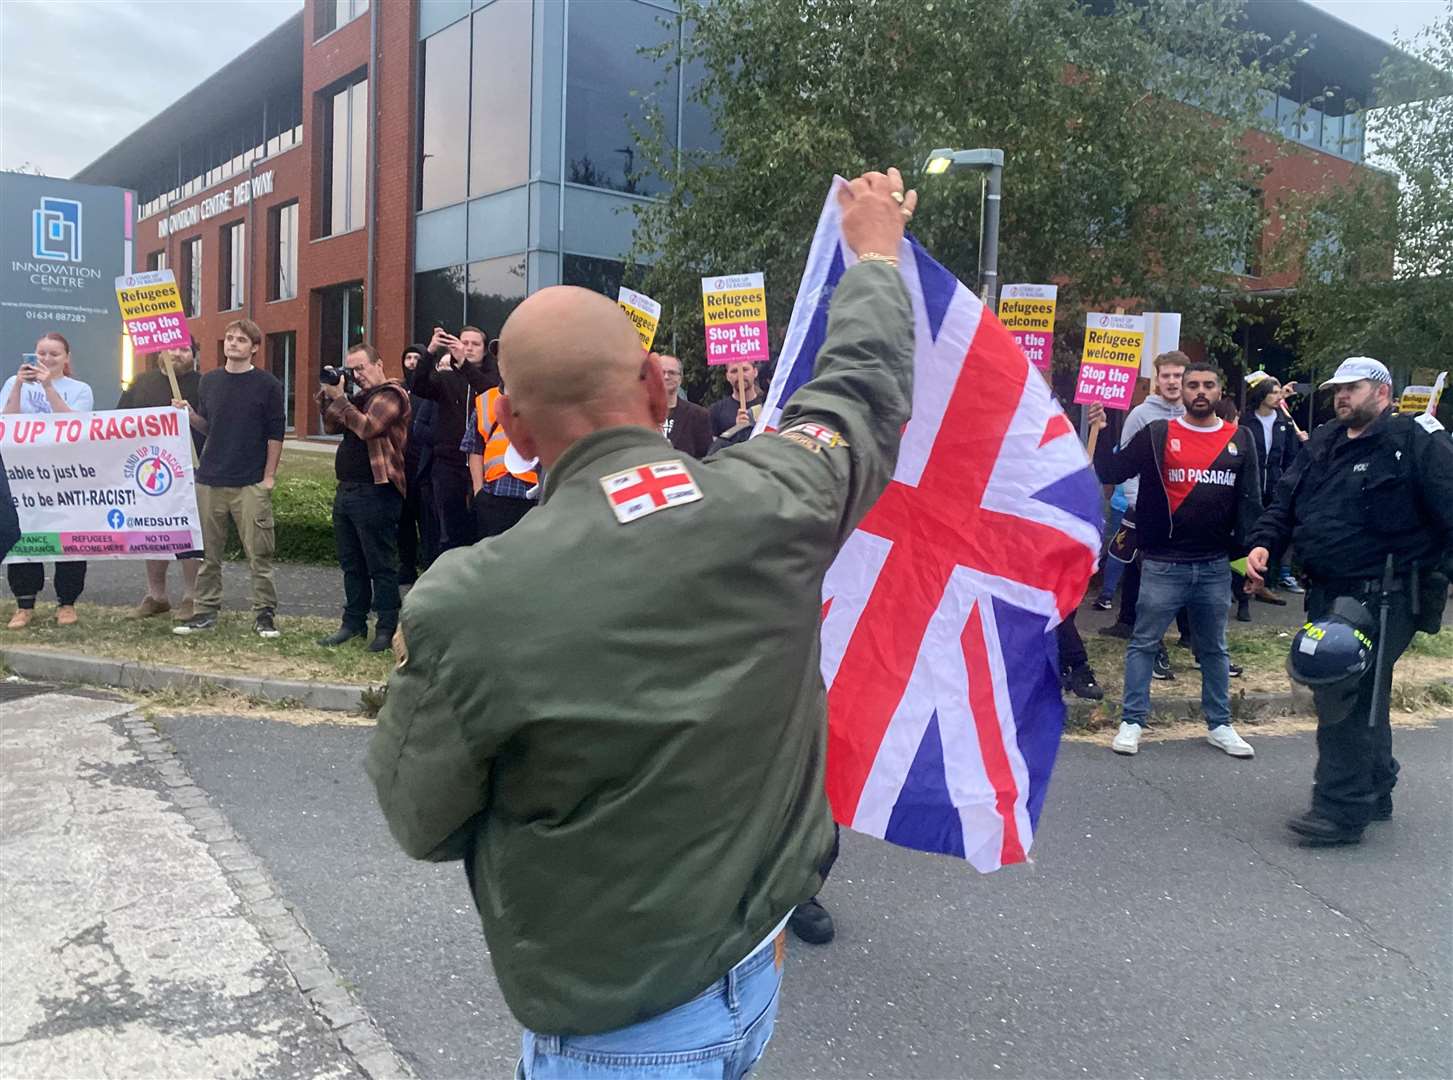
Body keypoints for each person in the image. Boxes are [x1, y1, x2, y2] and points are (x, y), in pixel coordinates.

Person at [367, 167, 918, 1078]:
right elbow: (858, 397)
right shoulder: (776, 498)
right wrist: (873, 256)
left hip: (616, 1023)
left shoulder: (472, 601)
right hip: (753, 971)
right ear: (659, 397)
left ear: (511, 425)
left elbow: (420, 818)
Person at [1246, 357, 1453, 847]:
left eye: (1352, 388)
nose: (1341, 397)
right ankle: (1375, 784)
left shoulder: (1414, 441)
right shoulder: (1323, 442)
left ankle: (1339, 811)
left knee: (1344, 693)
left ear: (1381, 392)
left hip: (1385, 593)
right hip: (1326, 590)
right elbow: (1285, 501)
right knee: (1359, 692)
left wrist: (1435, 573)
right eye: (1337, 389)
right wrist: (1263, 542)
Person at [1088, 361, 1262, 758]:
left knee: (1214, 649)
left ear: (1220, 392)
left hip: (1216, 565)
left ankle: (1220, 725)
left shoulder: (1242, 440)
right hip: (1163, 563)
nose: (1200, 391)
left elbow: (1250, 506)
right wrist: (1100, 427)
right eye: (1193, 385)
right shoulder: (1157, 433)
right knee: (1144, 643)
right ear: (1181, 392)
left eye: (1208, 385)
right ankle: (1132, 721)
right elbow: (1112, 469)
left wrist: (1247, 562)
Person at [173, 319, 286, 638]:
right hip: (210, 478)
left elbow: (275, 435)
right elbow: (209, 426)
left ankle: (264, 613)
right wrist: (189, 415)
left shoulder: (268, 385)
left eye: (240, 339)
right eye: (229, 338)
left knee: (259, 554)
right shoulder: (209, 381)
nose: (233, 343)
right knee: (208, 554)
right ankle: (205, 611)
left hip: (250, 481)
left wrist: (268, 478)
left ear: (254, 348)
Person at [316, 343, 411, 652]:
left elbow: (368, 427)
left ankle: (386, 627)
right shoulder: (357, 397)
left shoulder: (392, 395)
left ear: (378, 364)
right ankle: (353, 623)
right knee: (351, 562)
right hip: (347, 489)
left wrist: (342, 399)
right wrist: (328, 394)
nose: (356, 376)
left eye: (361, 368)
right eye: (351, 370)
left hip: (378, 490)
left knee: (381, 564)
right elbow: (331, 425)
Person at [3, 332, 94, 628]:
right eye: (41, 353)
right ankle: (24, 603)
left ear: (66, 358)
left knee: (68, 533)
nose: (46, 359)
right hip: (24, 474)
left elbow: (74, 423)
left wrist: (48, 386)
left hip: (65, 473)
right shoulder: (11, 384)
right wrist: (18, 384)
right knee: (23, 531)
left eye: (54, 354)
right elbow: (6, 420)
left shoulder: (80, 389)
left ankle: (66, 602)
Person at [1097, 351, 1186, 650]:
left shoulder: (1195, 411)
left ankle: (1189, 634)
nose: (1172, 381)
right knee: (1135, 562)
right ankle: (1127, 622)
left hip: (1185, 510)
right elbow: (1126, 461)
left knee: (1186, 568)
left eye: (1178, 375)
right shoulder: (1140, 415)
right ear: (1157, 379)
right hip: (1146, 507)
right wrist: (1136, 499)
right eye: (1166, 376)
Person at [117, 340, 205, 622]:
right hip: (148, 473)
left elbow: (212, 425)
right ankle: (156, 596)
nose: (176, 355)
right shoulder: (141, 383)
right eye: (172, 349)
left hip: (192, 470)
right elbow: (119, 422)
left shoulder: (205, 385)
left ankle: (191, 596)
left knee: (189, 533)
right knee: (153, 533)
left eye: (184, 350)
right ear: (160, 353)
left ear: (194, 355)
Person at [409, 326, 496, 553]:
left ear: (485, 350)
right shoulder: (446, 377)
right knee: (450, 531)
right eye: (464, 342)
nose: (468, 348)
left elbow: (489, 392)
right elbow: (418, 386)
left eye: (475, 344)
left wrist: (465, 366)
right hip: (448, 465)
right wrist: (430, 351)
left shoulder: (492, 376)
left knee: (483, 529)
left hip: (485, 465)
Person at [1244, 374, 1306, 596]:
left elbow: (1291, 455)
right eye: (1273, 391)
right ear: (1262, 395)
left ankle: (1268, 581)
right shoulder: (1247, 420)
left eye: (1280, 391)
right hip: (1251, 485)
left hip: (1275, 484)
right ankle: (1244, 581)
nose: (1278, 395)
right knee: (1249, 531)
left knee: (1274, 532)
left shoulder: (1284, 422)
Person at [398, 344, 438, 584]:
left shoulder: (432, 389)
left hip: (425, 465)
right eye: (408, 357)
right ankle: (406, 565)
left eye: (417, 358)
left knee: (427, 520)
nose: (412, 362)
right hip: (402, 465)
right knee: (404, 520)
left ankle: (429, 566)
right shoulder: (399, 390)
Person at [660, 355, 713, 457]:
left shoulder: (699, 416)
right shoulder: (642, 414)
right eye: (661, 372)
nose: (666, 376)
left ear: (680, 378)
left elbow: (705, 457)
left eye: (672, 373)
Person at [708, 359, 766, 437]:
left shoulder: (767, 406)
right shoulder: (716, 411)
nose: (740, 375)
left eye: (745, 369)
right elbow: (714, 446)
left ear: (755, 372)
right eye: (734, 371)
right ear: (727, 376)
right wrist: (736, 429)